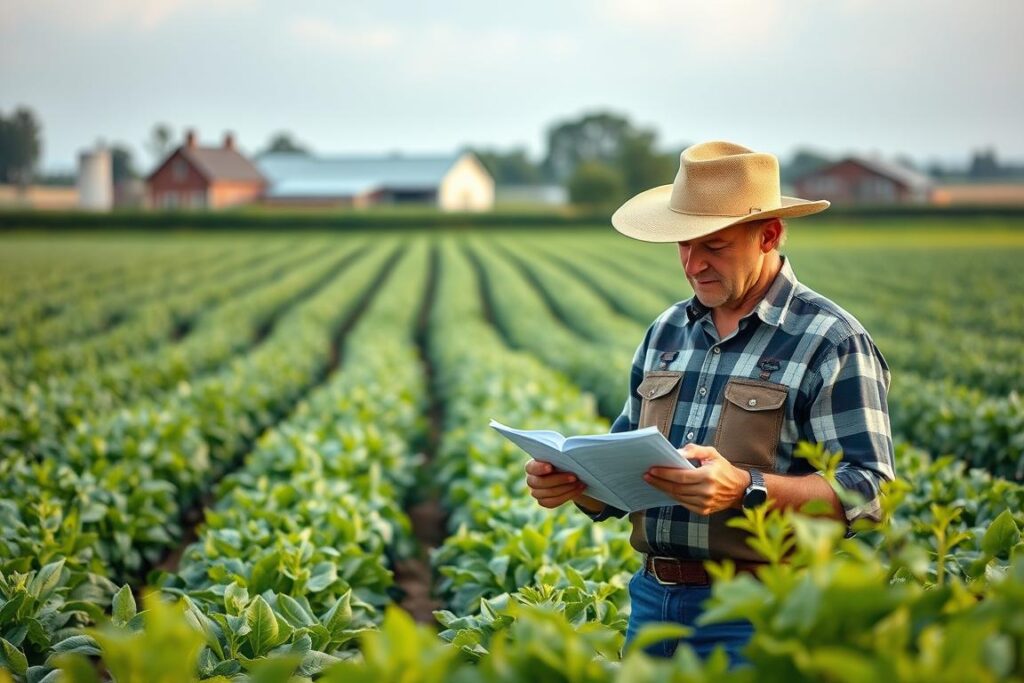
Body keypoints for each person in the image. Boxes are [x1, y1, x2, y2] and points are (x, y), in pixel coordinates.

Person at [523, 140, 896, 664]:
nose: (693, 264)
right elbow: (622, 474)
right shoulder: (667, 331)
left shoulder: (830, 340)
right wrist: (574, 484)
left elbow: (870, 491)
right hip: (653, 602)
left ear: (768, 235)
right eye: (683, 245)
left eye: (714, 245)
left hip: (761, 606)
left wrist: (747, 488)